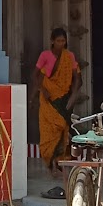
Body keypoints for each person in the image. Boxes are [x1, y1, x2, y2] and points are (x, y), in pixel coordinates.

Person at [32, 27, 81, 168]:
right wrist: (42, 90)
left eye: (63, 41)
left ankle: (59, 163)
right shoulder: (45, 56)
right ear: (52, 41)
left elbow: (77, 79)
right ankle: (49, 161)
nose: (61, 44)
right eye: (58, 41)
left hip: (64, 100)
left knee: (62, 128)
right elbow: (35, 76)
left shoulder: (69, 56)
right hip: (48, 100)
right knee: (48, 132)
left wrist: (73, 96)